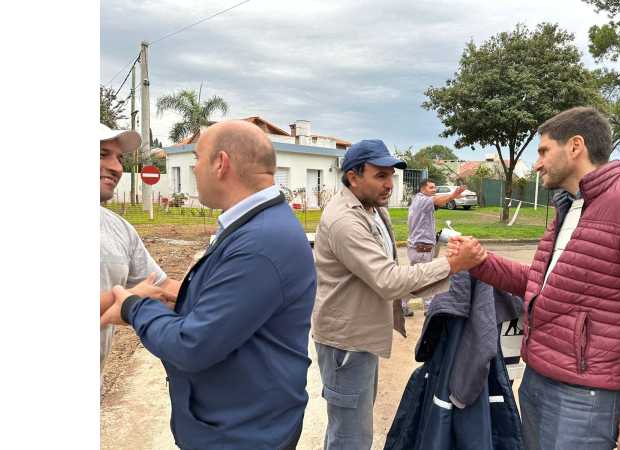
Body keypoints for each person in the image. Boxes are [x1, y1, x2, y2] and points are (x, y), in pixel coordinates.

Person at [449, 107, 620, 450]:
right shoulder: (570, 209)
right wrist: (480, 263)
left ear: (575, 146)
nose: (537, 164)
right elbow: (542, 286)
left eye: (543, 151)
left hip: (586, 401)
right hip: (538, 382)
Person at [101, 120, 316, 450]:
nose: (194, 168)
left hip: (242, 434)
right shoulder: (254, 227)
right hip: (242, 424)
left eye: (197, 158)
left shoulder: (259, 241)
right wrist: (171, 299)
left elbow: (192, 346)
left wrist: (134, 307)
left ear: (220, 163)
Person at [311, 139, 481, 450]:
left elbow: (391, 276)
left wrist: (448, 267)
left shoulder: (373, 210)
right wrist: (452, 264)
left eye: (391, 176)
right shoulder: (345, 220)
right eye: (380, 176)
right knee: (351, 437)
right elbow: (389, 280)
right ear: (352, 176)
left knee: (352, 427)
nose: (389, 184)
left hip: (359, 339)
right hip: (345, 345)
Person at [99, 123, 180, 377]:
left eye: (119, 158)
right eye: (102, 154)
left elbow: (162, 287)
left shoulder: (119, 229)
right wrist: (128, 300)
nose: (117, 167)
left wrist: (220, 292)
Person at [402, 179, 466, 316]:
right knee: (422, 279)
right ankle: (420, 306)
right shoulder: (422, 200)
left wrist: (452, 196)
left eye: (435, 187)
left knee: (419, 278)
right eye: (431, 187)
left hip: (421, 248)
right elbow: (437, 200)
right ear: (422, 189)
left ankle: (409, 305)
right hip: (421, 249)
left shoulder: (421, 200)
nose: (434, 189)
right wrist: (453, 195)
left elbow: (439, 201)